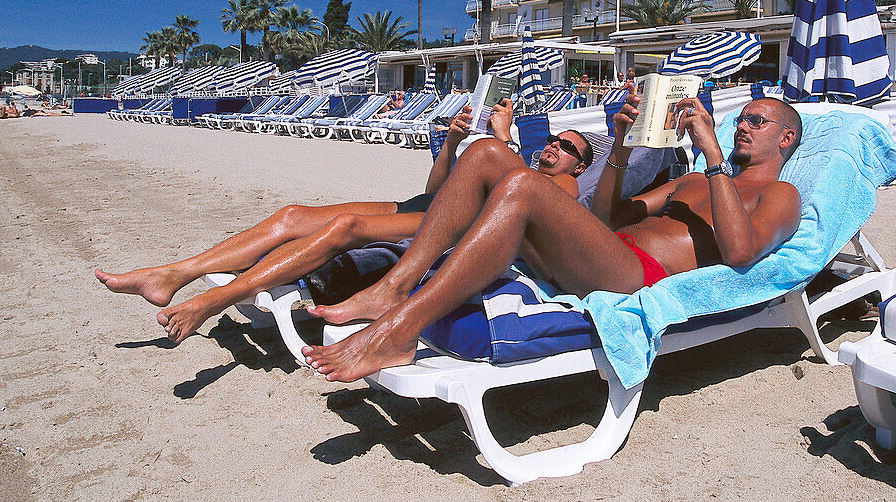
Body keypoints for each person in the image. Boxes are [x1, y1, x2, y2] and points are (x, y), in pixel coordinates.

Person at [301, 94, 803, 382]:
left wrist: (711, 151)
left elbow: (740, 252)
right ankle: (395, 283)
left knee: (523, 185)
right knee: (482, 155)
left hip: (641, 276)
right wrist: (621, 147)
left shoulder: (780, 194)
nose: (743, 126)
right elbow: (610, 216)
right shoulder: (693, 181)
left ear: (786, 139)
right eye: (742, 119)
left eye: (756, 121)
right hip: (608, 251)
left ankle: (400, 330)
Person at [95, 99, 595, 343]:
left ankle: (212, 298)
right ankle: (176, 273)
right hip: (428, 207)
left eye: (569, 147)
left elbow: (522, 215)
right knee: (293, 215)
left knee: (342, 230)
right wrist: (450, 143)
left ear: (581, 164)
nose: (555, 147)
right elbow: (435, 191)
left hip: (454, 229)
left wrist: (503, 139)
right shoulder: (516, 162)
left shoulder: (564, 190)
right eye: (554, 140)